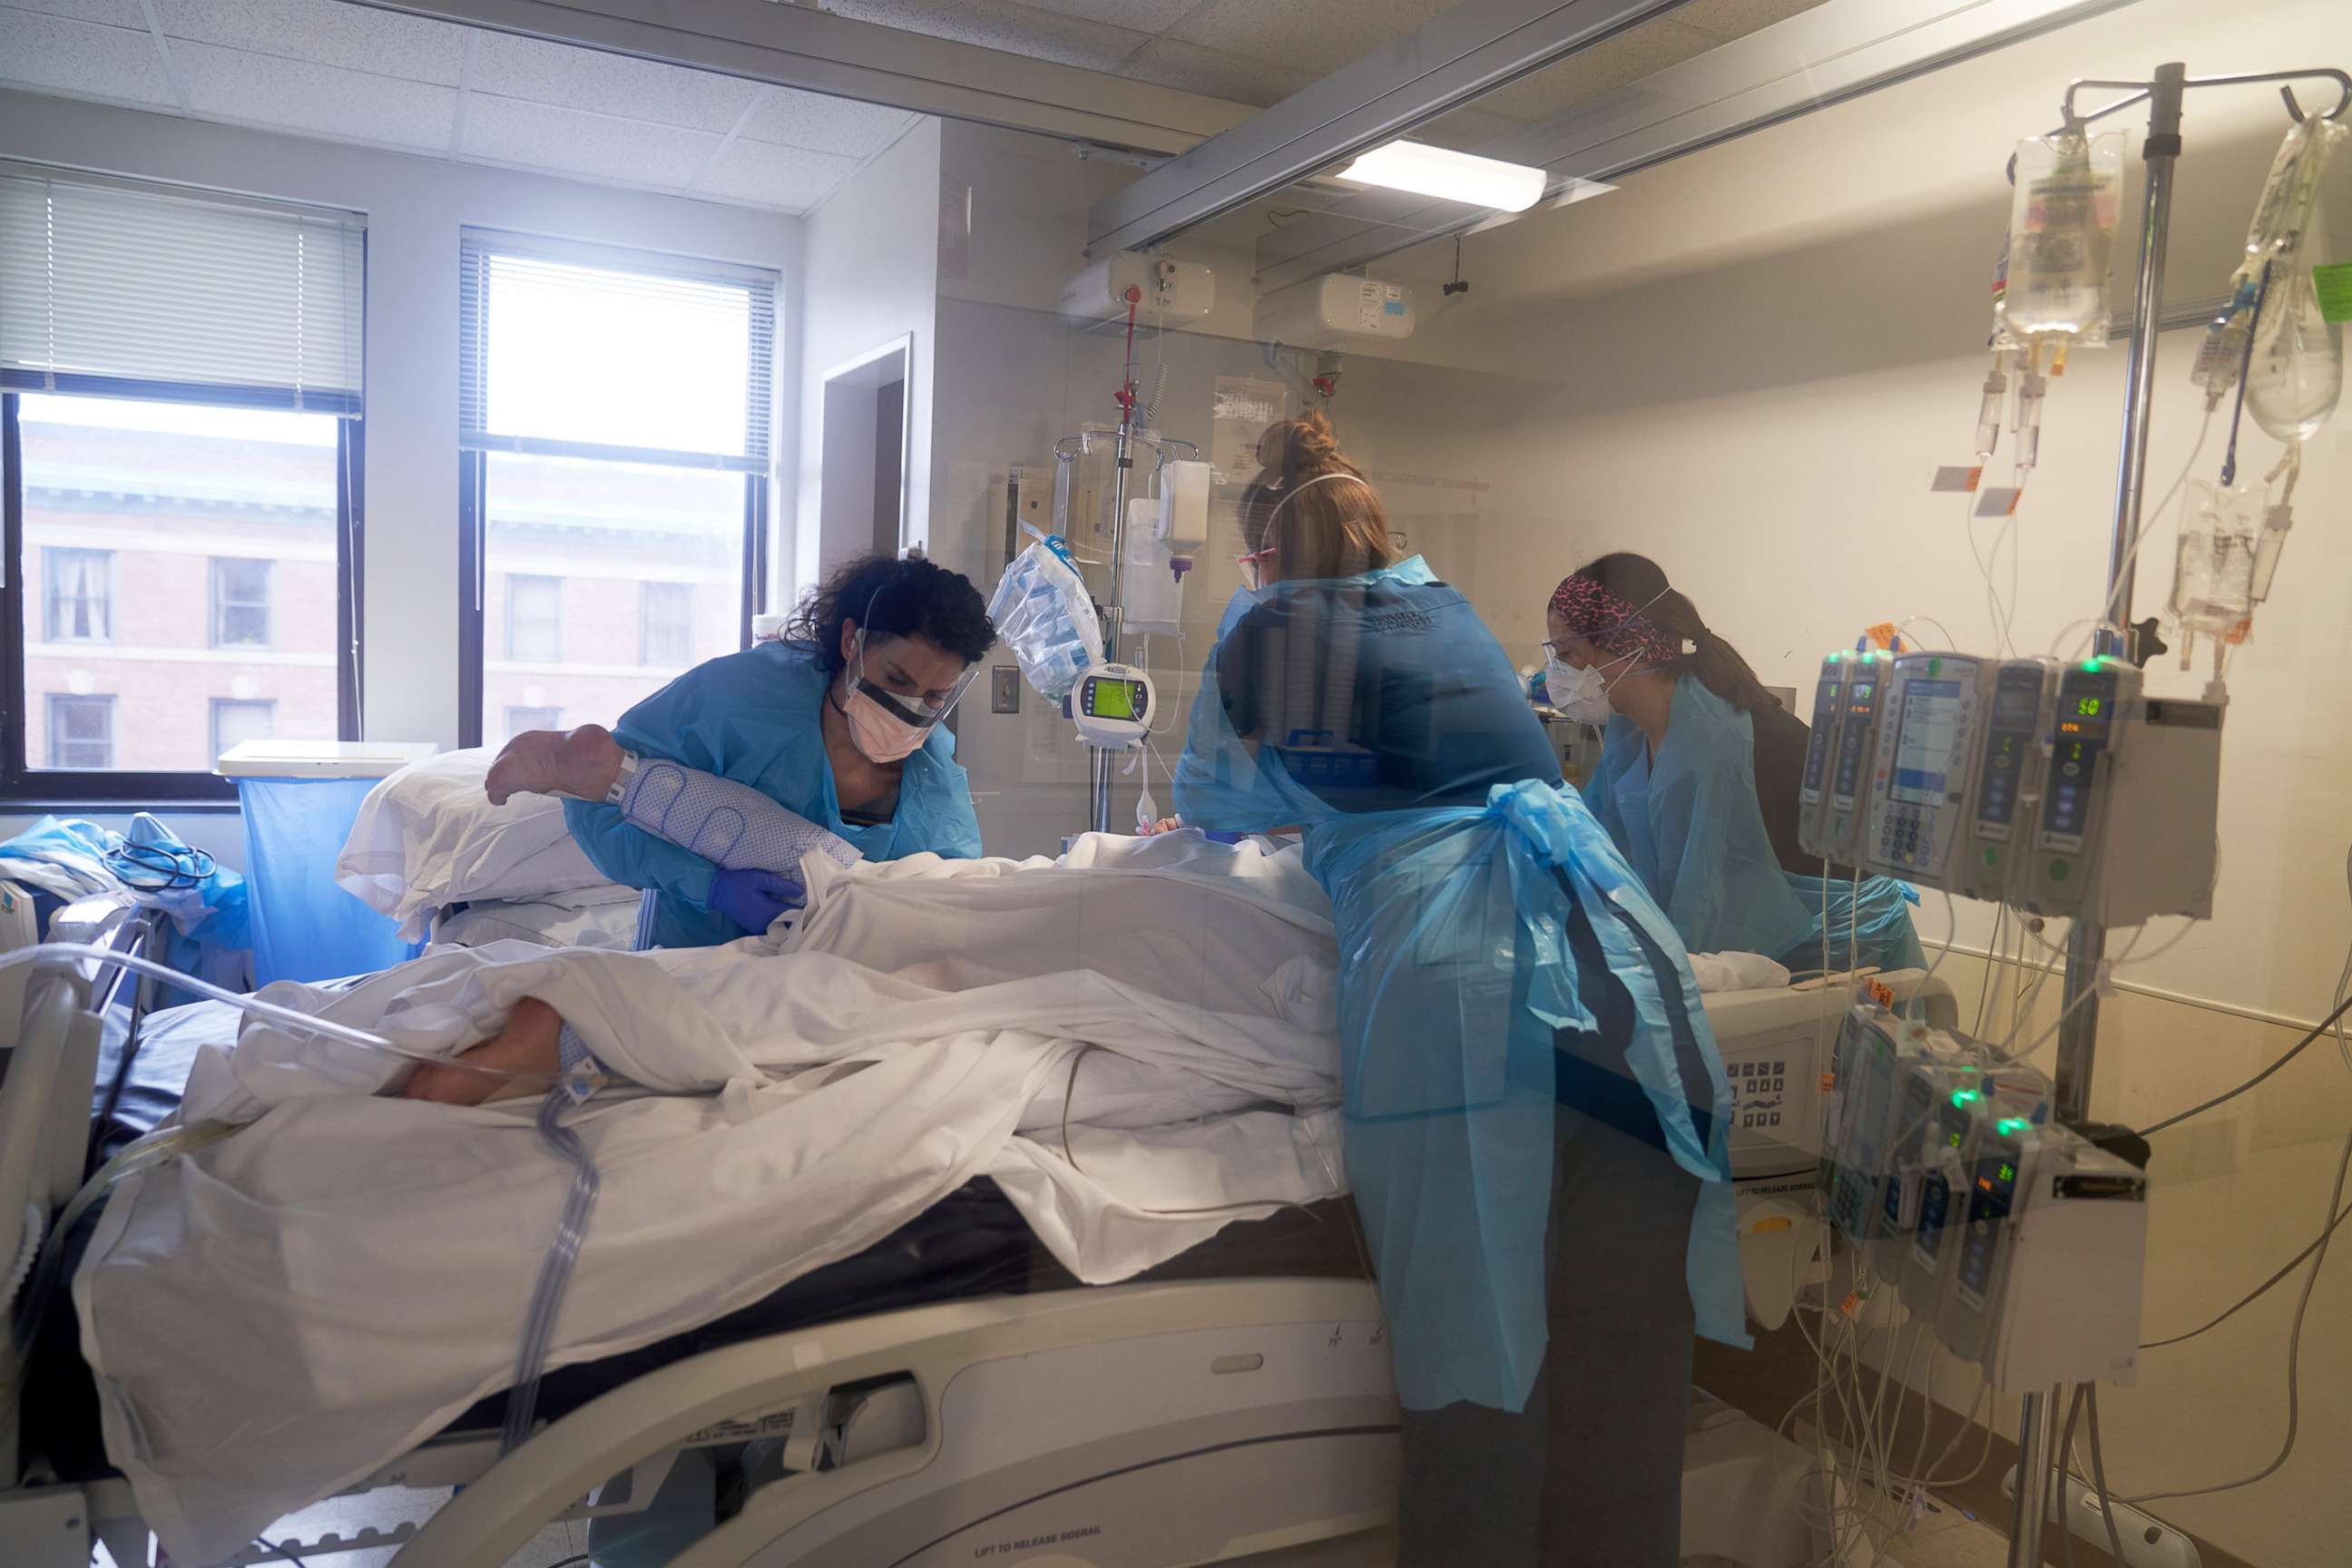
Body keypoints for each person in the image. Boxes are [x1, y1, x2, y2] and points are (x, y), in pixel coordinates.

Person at [1165, 413, 1743, 1566]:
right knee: (1625, 1393)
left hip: (1468, 993)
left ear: (1264, 556)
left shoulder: (1266, 626)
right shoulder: (1451, 610)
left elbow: (1210, 805)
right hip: (1634, 976)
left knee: (1481, 1377)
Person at [485, 553, 995, 948]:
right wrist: (706, 884)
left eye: (933, 696)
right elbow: (594, 805)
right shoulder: (738, 699)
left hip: (835, 984)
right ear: (851, 643)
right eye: (896, 679)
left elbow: (946, 903)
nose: (910, 709)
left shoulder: (932, 777)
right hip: (693, 964)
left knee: (847, 876)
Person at [1545, 553, 1924, 975]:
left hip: (1839, 955)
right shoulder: (1630, 737)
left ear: (1624, 645)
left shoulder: (1724, 741)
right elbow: (1603, 857)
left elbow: (1707, 903)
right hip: (1760, 952)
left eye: (1567, 653)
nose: (1555, 675)